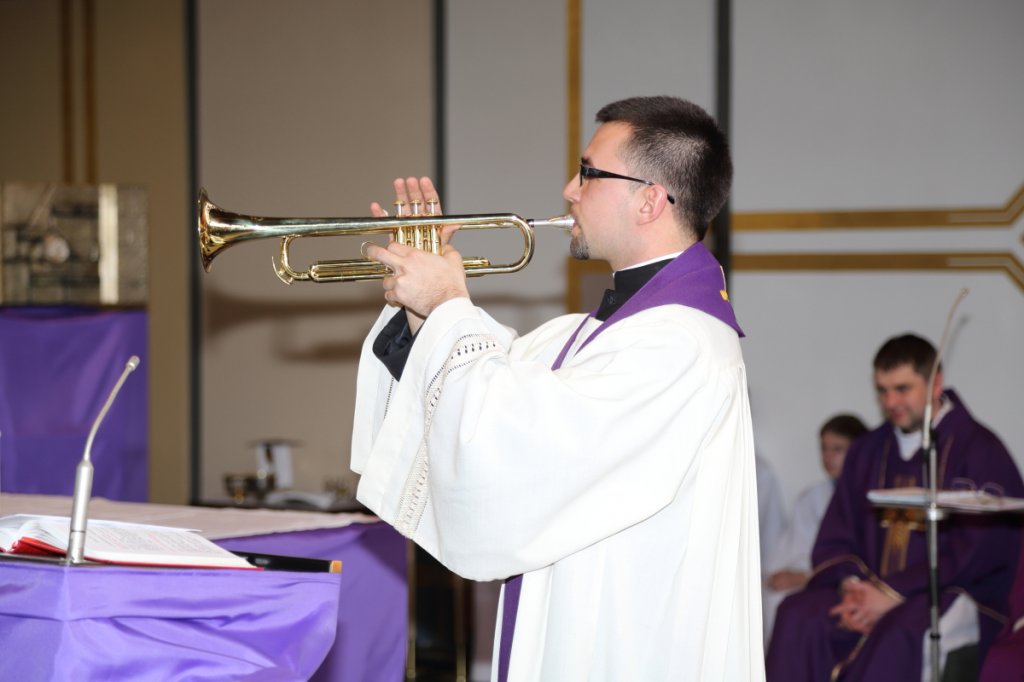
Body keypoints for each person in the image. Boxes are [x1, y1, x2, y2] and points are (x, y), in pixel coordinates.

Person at [350, 96, 765, 680]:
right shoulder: (607, 331)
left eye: (589, 173)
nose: (570, 189)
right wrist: (425, 312)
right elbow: (498, 381)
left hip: (625, 645)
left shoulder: (680, 344)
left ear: (649, 200)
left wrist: (447, 304)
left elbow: (508, 440)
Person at [765, 334, 1024, 682]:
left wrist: (890, 594)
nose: (890, 402)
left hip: (949, 593)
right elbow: (838, 531)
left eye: (902, 389)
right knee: (797, 615)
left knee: (899, 634)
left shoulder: (979, 450)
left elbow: (981, 549)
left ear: (935, 383)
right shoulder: (868, 450)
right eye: (882, 390)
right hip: (866, 587)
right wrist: (854, 588)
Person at [761, 414, 868, 643]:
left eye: (837, 449)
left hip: (849, 585)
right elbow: (793, 550)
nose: (828, 457)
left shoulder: (871, 497)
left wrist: (805, 578)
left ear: (859, 451)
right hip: (814, 579)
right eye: (824, 449)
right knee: (773, 598)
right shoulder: (813, 497)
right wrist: (783, 575)